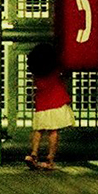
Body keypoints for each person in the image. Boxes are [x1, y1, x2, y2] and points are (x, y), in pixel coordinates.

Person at [23, 43, 73, 171]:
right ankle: (50, 159)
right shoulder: (56, 69)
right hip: (57, 102)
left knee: (38, 130)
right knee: (53, 131)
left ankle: (33, 154)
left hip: (42, 104)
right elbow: (65, 75)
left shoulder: (37, 73)